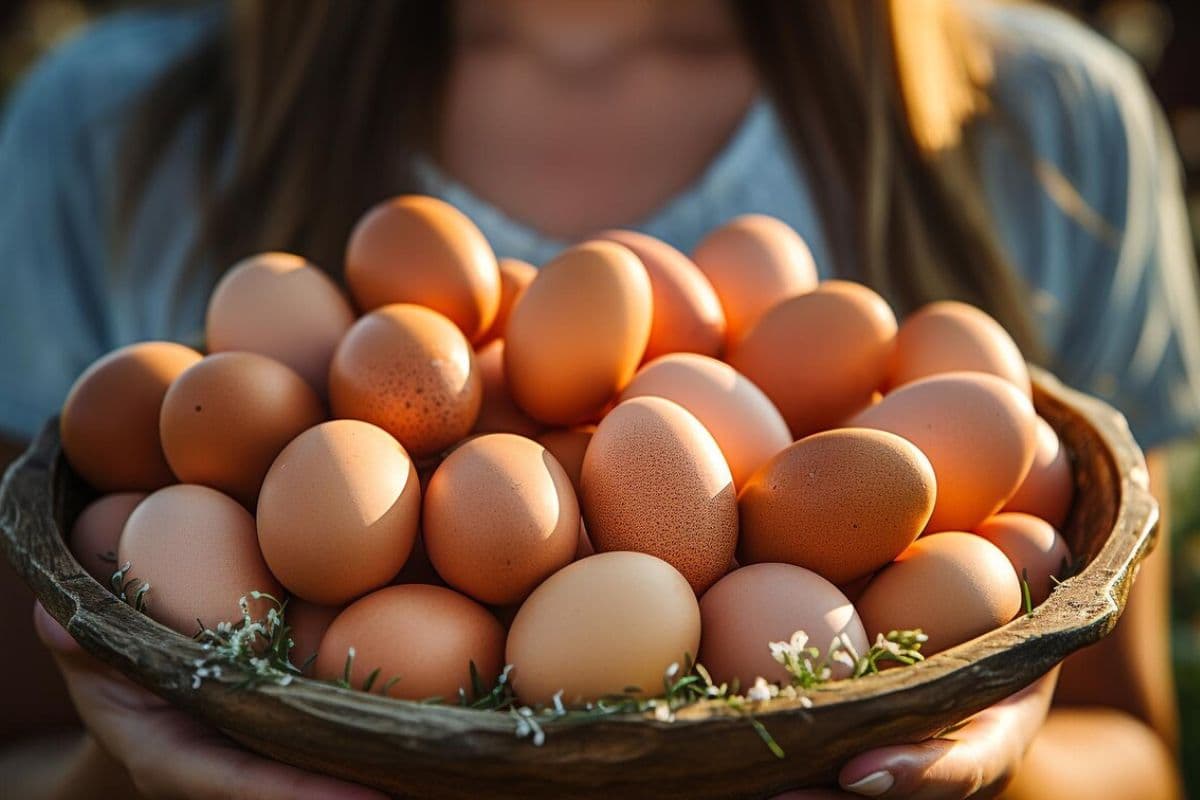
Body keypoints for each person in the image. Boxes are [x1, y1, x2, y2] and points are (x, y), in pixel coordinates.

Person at [0, 1, 1195, 797]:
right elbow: (27, 745)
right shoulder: (106, 131)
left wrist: (984, 766)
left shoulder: (1051, 122)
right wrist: (153, 760)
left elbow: (1137, 755)